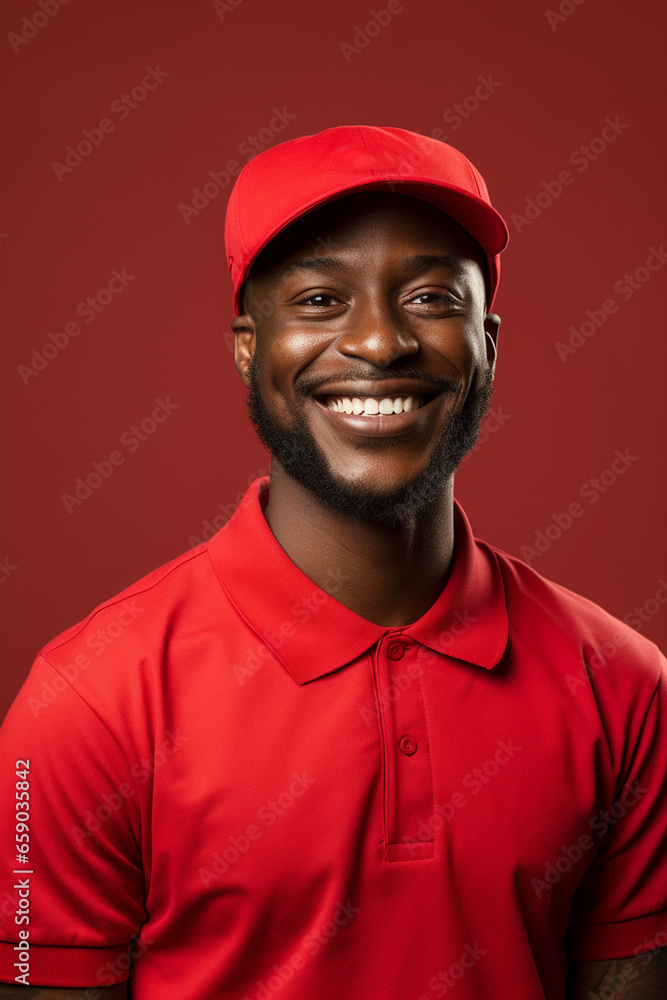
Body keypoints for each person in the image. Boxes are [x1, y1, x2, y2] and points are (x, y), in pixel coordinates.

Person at [0, 125, 665, 1000]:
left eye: (431, 298)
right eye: (319, 300)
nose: (382, 343)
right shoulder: (88, 702)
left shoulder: (622, 684)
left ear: (489, 346)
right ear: (247, 347)